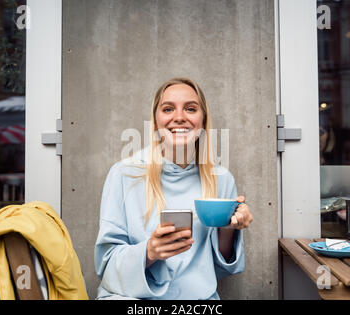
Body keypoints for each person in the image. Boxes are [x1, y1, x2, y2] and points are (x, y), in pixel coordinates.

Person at [94, 78, 253, 300]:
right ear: (156, 121)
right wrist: (149, 252)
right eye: (168, 109)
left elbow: (218, 268)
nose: (179, 117)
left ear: (203, 119)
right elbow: (106, 265)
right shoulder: (124, 173)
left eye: (190, 108)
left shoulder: (221, 179)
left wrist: (230, 227)